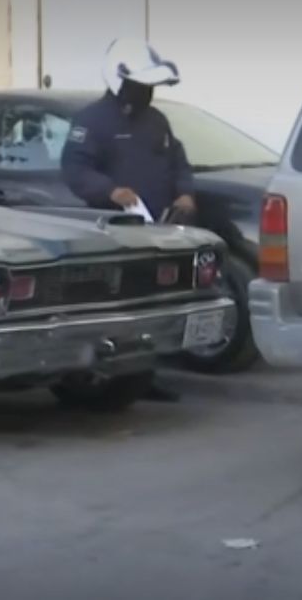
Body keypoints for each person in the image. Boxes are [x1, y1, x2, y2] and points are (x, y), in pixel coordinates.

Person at [60, 37, 196, 402]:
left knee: (156, 305)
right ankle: (109, 378)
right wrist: (110, 191)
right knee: (121, 308)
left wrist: (186, 192)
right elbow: (75, 168)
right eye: (141, 86)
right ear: (122, 82)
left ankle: (145, 376)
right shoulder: (92, 121)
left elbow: (178, 161)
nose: (147, 93)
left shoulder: (156, 122)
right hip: (114, 233)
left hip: (158, 229)